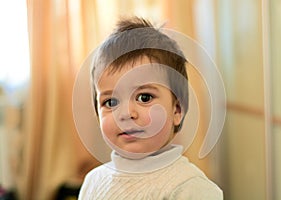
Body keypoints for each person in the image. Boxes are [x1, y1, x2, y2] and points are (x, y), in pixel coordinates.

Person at [78, 16, 223, 199]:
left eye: (144, 97)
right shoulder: (93, 181)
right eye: (111, 102)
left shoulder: (189, 187)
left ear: (176, 111)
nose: (126, 114)